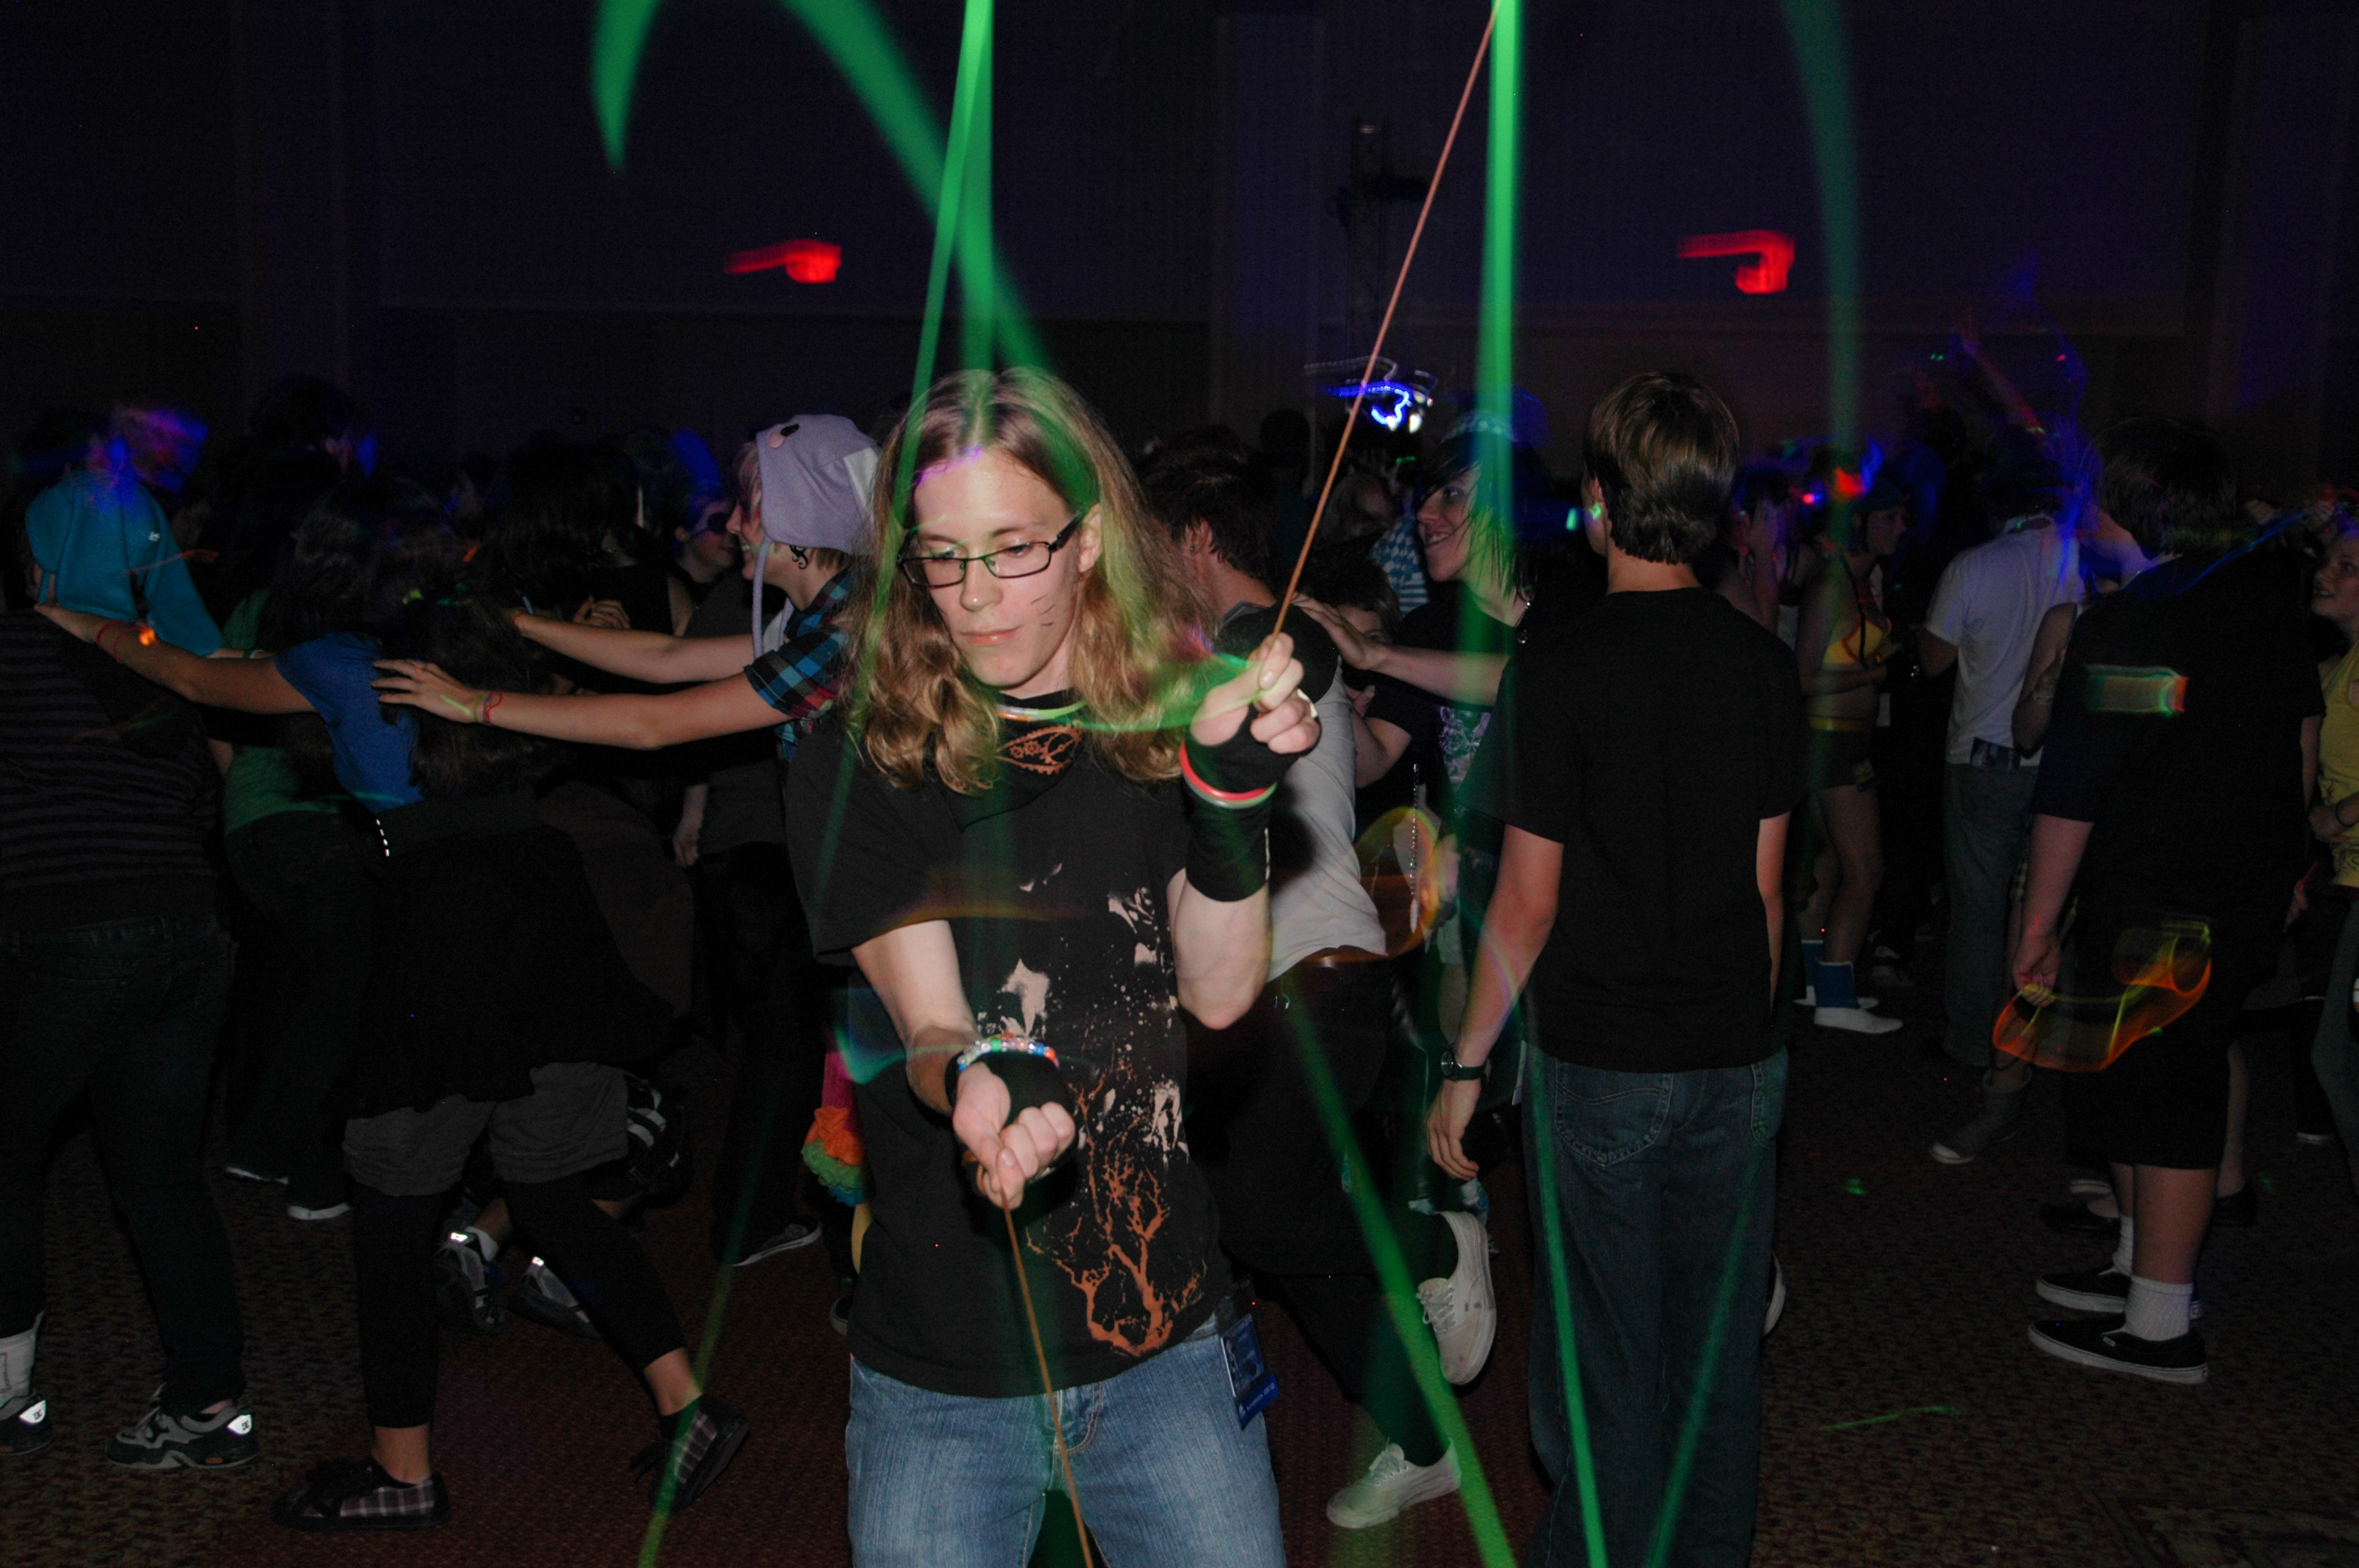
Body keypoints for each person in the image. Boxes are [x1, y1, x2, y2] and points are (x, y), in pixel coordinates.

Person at [38, 481, 750, 1526]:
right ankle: (688, 1404)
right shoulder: (487, 635)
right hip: (547, 909)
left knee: (395, 1211)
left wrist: (86, 622)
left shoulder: (337, 660)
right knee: (549, 1194)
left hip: (437, 922)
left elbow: (188, 675)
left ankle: (401, 1470)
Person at [783, 368, 1315, 1566]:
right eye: (942, 557)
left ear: (1089, 540)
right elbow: (928, 1023)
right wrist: (986, 1072)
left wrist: (1229, 802)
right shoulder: (861, 755)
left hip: (1165, 1338)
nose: (975, 597)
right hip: (944, 1363)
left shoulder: (1169, 715)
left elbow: (1220, 993)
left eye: (1014, 549)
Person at [1429, 371, 1798, 1568]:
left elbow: (1526, 905)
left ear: (1597, 502)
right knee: (1714, 1359)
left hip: (1601, 1060)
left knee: (1606, 1366)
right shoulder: (1762, 664)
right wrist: (1747, 1050)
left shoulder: (1561, 668)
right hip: (1736, 1056)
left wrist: (1464, 1068)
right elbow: (1768, 894)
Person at [376, 416, 881, 1269]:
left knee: (888, 1140)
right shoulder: (826, 615)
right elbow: (662, 659)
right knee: (872, 1135)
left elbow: (657, 723)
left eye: (752, 507)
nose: (733, 525)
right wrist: (517, 625)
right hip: (861, 905)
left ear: (802, 520)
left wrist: (475, 705)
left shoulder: (846, 633)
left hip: (889, 905)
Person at [1139, 438, 1493, 1530]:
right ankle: (1424, 1440)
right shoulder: (1252, 639)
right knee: (1286, 1233)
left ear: (1197, 538)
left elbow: (1265, 673)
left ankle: (1432, 1242)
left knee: (1259, 1216)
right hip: (1272, 982)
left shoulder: (1272, 636)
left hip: (1317, 974)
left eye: (1151, 545)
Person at [2016, 417, 2319, 1384]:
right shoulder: (2262, 601)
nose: (2084, 512)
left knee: (2165, 1096)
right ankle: (2134, 1268)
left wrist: (2032, 925)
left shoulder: (2129, 621)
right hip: (2232, 887)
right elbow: (2297, 748)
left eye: (2095, 496)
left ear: (2134, 507)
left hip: (2161, 894)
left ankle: (2158, 1325)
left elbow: (2072, 791)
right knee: (2133, 1086)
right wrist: (2288, 867)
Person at [0, 601, 253, 1468]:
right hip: (188, 923)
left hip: (71, 923)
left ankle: (8, 1397)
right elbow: (202, 788)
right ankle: (208, 1402)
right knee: (160, 1177)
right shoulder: (137, 652)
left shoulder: (12, 652)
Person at [1917, 431, 2084, 1081]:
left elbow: (1933, 662)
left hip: (1984, 762)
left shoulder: (1976, 565)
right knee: (2046, 911)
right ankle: (2041, 1043)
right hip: (2061, 768)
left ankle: (1971, 1040)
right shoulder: (2082, 562)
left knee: (1980, 913)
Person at [1792, 471, 1910, 1032]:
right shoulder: (1832, 587)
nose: (1901, 528)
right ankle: (1835, 999)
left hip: (1844, 741)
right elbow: (1801, 678)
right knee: (1866, 870)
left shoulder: (1863, 581)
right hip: (1831, 743)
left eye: (1903, 518)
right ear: (1859, 523)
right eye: (1889, 518)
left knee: (1832, 863)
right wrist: (1876, 672)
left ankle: (1814, 986)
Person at [2302, 522, 2359, 1276]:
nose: (2326, 572)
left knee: (2337, 1057)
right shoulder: (2335, 668)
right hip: (2349, 883)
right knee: (2338, 1056)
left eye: (2347, 565)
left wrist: (2334, 817)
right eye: (2327, 559)